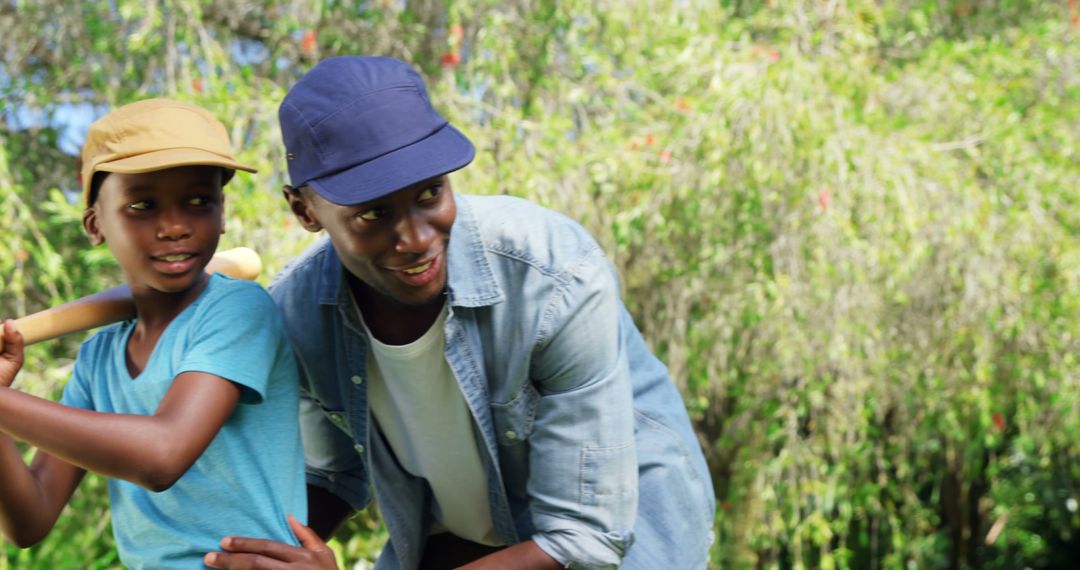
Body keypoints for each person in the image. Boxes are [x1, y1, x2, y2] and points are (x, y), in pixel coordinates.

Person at [207, 56, 715, 569]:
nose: (418, 240)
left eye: (430, 192)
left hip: (625, 532)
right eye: (374, 213)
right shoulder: (298, 314)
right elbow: (329, 475)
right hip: (466, 538)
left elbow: (582, 539)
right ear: (304, 211)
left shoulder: (551, 274)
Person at [0, 99, 308, 569]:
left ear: (223, 214)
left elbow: (161, 456)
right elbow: (31, 518)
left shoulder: (237, 310)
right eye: (142, 205)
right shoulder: (99, 357)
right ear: (95, 224)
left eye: (199, 201)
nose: (175, 226)